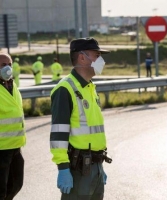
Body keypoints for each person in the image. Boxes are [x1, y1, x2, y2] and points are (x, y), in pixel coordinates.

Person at [50, 37, 112, 200]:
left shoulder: (90, 87)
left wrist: (98, 165)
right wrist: (63, 168)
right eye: (96, 55)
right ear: (82, 57)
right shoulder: (65, 89)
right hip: (78, 170)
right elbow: (58, 134)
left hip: (95, 167)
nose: (101, 60)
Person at [0, 53, 26, 200]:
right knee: (1, 189)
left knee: (16, 184)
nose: (7, 68)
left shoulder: (12, 85)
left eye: (9, 64)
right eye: (3, 65)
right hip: (1, 149)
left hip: (16, 146)